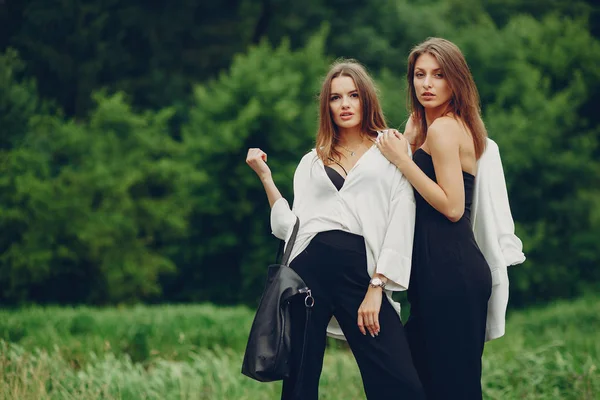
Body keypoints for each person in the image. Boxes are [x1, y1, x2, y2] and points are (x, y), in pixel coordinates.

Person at [246, 60, 425, 400]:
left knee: (401, 383)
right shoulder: (311, 161)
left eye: (353, 95)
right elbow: (293, 227)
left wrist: (378, 284)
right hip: (308, 275)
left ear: (366, 99)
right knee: (299, 381)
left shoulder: (389, 151)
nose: (345, 104)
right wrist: (266, 178)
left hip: (362, 275)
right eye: (336, 97)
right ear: (326, 105)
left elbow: (402, 218)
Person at [376, 37, 494, 399]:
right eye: (419, 74)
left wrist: (404, 158)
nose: (427, 83)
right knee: (418, 381)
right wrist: (409, 146)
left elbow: (452, 207)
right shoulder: (433, 128)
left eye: (438, 75)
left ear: (455, 80)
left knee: (452, 387)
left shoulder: (445, 128)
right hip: (433, 275)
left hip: (452, 273)